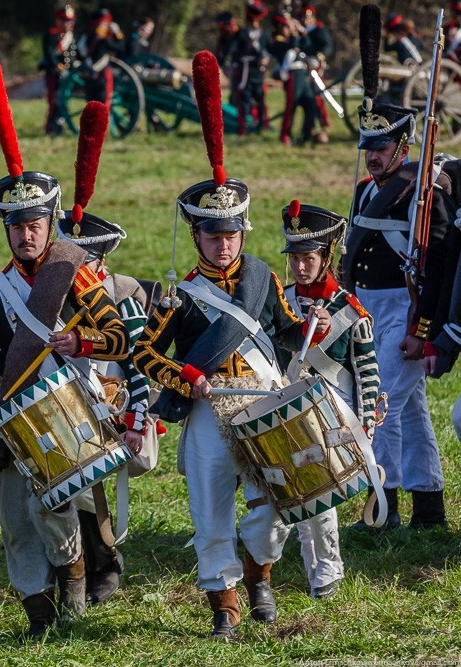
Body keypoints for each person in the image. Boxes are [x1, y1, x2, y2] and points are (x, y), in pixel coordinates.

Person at [133, 51, 330, 640]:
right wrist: (185, 378)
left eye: (233, 234)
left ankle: (261, 574)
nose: (224, 245)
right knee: (210, 512)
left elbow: (288, 329)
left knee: (276, 504)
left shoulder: (264, 278)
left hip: (265, 401)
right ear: (196, 234)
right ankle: (225, 605)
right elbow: (144, 355)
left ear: (244, 231)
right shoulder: (179, 296)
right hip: (206, 405)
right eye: (213, 235)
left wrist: (313, 325)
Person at [0, 66, 136, 637]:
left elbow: (121, 337)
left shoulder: (75, 275)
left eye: (35, 223)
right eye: (16, 225)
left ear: (50, 222)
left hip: (69, 411)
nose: (26, 234)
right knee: (16, 522)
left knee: (57, 514)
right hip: (12, 413)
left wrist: (82, 340)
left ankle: (74, 586)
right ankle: (37, 611)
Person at [340, 102, 453, 531]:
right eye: (368, 146)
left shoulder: (423, 194)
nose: (373, 155)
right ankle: (428, 508)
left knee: (378, 406)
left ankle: (380, 510)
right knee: (410, 414)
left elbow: (440, 266)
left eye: (382, 146)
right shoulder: (367, 190)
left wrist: (423, 329)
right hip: (369, 312)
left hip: (405, 313)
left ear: (403, 146)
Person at [278, 200, 381, 599]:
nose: (300, 267)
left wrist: (365, 425)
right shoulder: (281, 301)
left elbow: (367, 374)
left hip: (331, 413)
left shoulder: (352, 312)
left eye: (308, 258)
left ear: (326, 256)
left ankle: (326, 573)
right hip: (284, 406)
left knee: (317, 496)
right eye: (295, 259)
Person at [56, 211, 152, 606]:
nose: (80, 270)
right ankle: (79, 560)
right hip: (64, 406)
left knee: (87, 483)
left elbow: (139, 365)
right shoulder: (51, 295)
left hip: (115, 408)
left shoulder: (121, 299)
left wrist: (137, 421)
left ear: (102, 262)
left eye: (88, 261)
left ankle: (106, 560)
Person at [268, 14, 320, 147]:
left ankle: (306, 135)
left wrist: (302, 33)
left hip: (302, 75)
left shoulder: (294, 39)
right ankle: (285, 135)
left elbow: (307, 46)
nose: (288, 29)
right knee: (291, 107)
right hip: (292, 76)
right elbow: (289, 48)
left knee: (311, 105)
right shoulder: (277, 41)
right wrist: (295, 34)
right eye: (286, 26)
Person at [228, 0, 272, 135]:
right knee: (244, 101)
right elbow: (232, 50)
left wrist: (266, 60)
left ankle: (262, 127)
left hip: (258, 73)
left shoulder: (264, 35)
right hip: (245, 72)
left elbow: (270, 50)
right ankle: (243, 130)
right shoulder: (241, 33)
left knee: (260, 100)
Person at [40, 4, 78, 136]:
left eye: (70, 21)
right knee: (54, 100)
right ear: (58, 21)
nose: (68, 24)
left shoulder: (71, 37)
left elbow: (75, 55)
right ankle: (51, 128)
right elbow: (49, 54)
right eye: (65, 20)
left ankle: (59, 125)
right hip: (54, 74)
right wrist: (58, 67)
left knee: (63, 101)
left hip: (68, 75)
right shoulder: (51, 35)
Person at [298, 5, 335, 136]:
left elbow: (327, 45)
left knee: (317, 94)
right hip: (303, 65)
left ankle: (324, 121)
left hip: (315, 65)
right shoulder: (301, 30)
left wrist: (322, 55)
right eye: (303, 16)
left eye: (307, 16)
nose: (305, 19)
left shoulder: (319, 28)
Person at [77, 8, 124, 107]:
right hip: (97, 76)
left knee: (97, 104)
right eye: (105, 23)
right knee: (98, 104)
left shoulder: (88, 37)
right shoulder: (100, 39)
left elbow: (120, 49)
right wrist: (117, 33)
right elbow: (120, 48)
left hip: (95, 76)